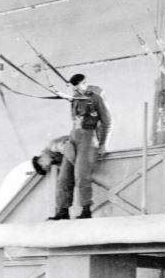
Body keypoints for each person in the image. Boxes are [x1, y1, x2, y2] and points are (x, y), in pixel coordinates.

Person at [44, 73, 113, 220]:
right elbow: (65, 99)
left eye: (78, 87)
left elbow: (107, 122)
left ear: (84, 84)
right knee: (64, 177)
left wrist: (103, 144)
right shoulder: (74, 99)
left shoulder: (96, 97)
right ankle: (63, 211)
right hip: (74, 138)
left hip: (88, 139)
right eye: (74, 88)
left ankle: (86, 210)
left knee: (82, 176)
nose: (75, 90)